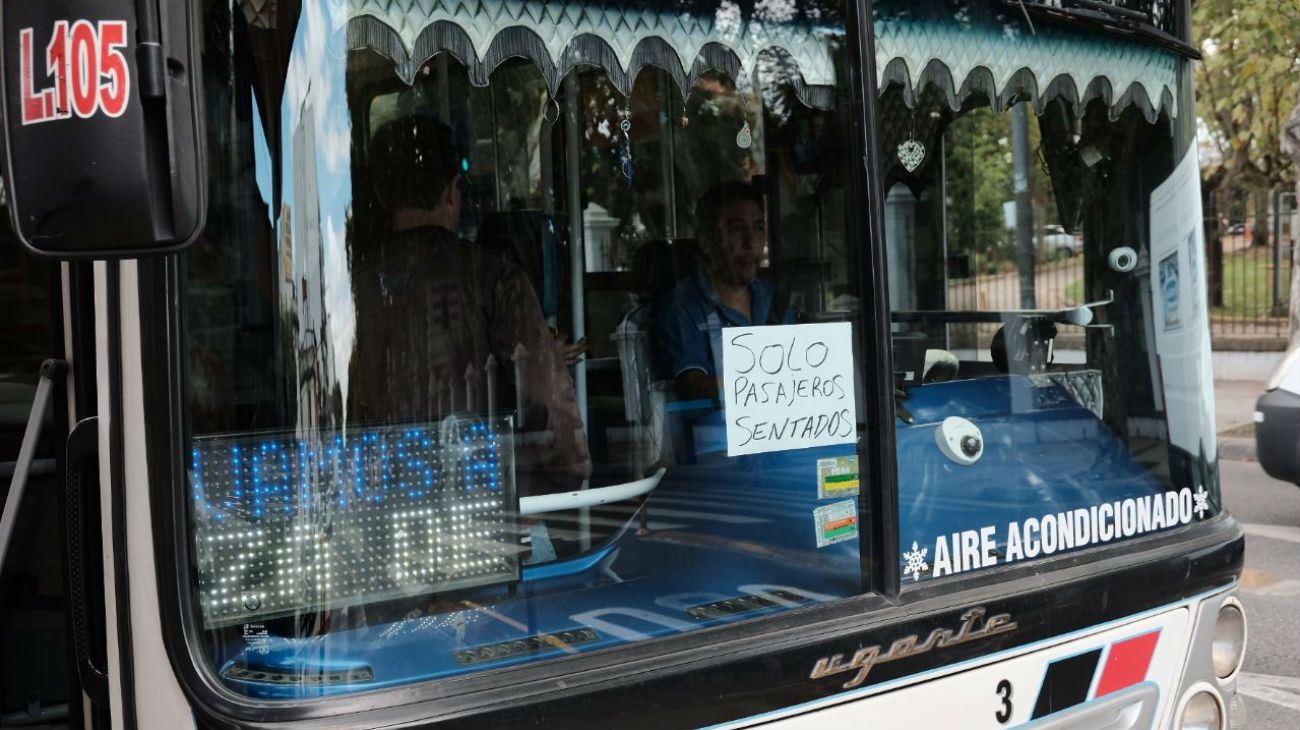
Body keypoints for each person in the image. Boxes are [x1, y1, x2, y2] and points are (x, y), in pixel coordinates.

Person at [348, 115, 591, 498]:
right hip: (480, 496)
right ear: (452, 190)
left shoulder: (351, 287)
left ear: (380, 194)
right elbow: (545, 394)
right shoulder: (496, 279)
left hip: (377, 496)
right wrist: (568, 475)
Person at [658, 180, 792, 400]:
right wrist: (771, 381)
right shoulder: (683, 306)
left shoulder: (774, 299)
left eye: (758, 229)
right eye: (736, 229)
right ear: (707, 241)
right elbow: (693, 386)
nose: (750, 243)